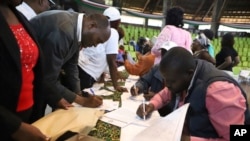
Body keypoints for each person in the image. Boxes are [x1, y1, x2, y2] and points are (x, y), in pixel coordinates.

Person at [137, 47, 250, 140]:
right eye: (165, 80)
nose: (167, 85)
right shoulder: (184, 75)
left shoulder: (219, 91)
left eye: (171, 81)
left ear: (189, 74)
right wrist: (151, 105)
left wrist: (189, 140)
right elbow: (165, 94)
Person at [29, 10, 111, 120]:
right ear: (92, 26)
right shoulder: (63, 30)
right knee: (32, 120)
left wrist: (79, 93)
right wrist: (82, 101)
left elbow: (71, 65)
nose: (96, 45)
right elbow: (48, 78)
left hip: (38, 80)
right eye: (98, 40)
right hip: (24, 81)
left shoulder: (76, 29)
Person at [0, 0, 49, 140]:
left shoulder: (18, 14)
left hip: (27, 114)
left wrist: (58, 97)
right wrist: (15, 126)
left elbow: (32, 69)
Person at [78, 7, 127, 92]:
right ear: (118, 22)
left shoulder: (98, 30)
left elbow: (99, 55)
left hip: (77, 68)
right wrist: (116, 86)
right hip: (87, 74)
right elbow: (111, 62)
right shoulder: (113, 32)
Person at [131, 41, 177, 116]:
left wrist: (156, 96)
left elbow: (175, 101)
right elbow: (144, 81)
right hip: (151, 108)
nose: (164, 56)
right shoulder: (156, 68)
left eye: (167, 54)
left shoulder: (179, 74)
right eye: (163, 53)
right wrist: (137, 87)